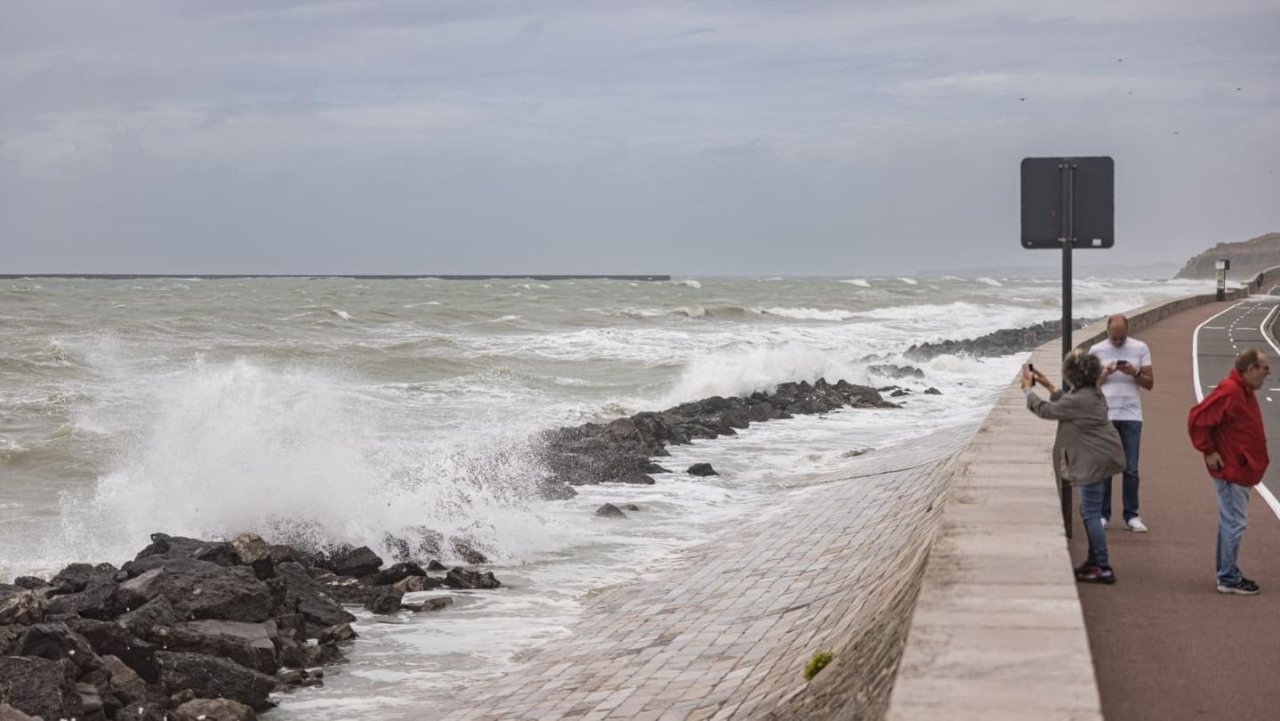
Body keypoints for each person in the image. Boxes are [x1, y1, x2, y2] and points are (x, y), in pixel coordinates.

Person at [1023, 350, 1127, 583]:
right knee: (1090, 511)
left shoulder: (1080, 399)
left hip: (1093, 460)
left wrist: (1027, 390)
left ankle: (1102, 565)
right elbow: (1068, 403)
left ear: (1072, 375)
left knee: (1091, 513)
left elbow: (1046, 411)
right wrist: (1049, 385)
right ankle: (1093, 561)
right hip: (1104, 456)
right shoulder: (1093, 393)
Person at [1187, 348, 1271, 595]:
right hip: (1232, 468)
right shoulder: (1231, 391)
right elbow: (1197, 418)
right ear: (1251, 369)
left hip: (1240, 467)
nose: (1269, 372)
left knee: (1230, 522)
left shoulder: (1243, 390)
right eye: (1265, 368)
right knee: (1234, 522)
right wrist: (1209, 450)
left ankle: (1227, 573)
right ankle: (1228, 577)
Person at [1089, 315, 1154, 532]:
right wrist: (1104, 373)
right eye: (1114, 338)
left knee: (1131, 469)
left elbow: (1149, 383)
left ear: (1128, 330)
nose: (1117, 342)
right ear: (1107, 332)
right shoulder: (1096, 350)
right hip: (1105, 415)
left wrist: (1133, 372)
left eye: (1121, 338)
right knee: (1106, 468)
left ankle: (1132, 515)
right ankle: (1103, 514)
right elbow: (1091, 386)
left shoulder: (1140, 348)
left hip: (1132, 415)